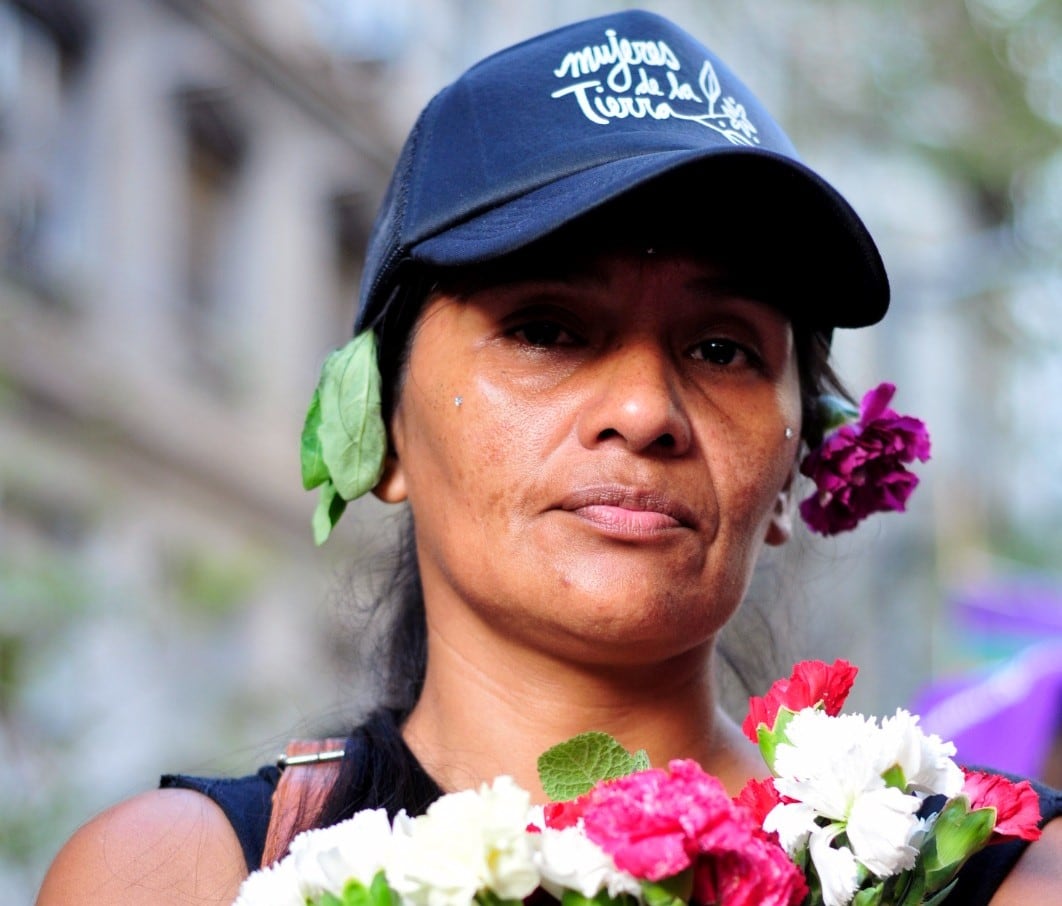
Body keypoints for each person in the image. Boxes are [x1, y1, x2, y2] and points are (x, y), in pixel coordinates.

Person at [37, 10, 1060, 905]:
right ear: (380, 430)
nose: (646, 409)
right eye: (546, 329)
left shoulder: (1011, 874)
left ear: (795, 472)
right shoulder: (178, 881)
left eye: (722, 350)